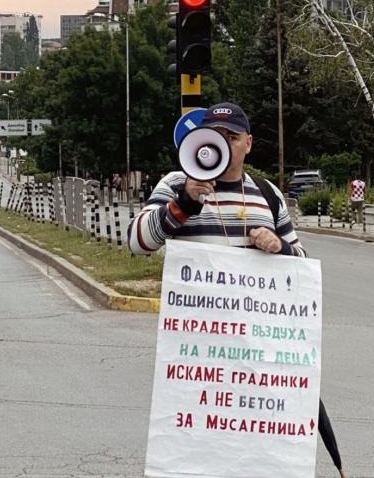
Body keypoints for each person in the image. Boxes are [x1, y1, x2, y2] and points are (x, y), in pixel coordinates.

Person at [128, 102, 345, 478]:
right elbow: (137, 241)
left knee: (256, 451)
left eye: (232, 137)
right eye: (216, 136)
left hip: (257, 352)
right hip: (199, 354)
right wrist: (183, 204)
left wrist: (281, 247)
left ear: (248, 144)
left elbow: (302, 261)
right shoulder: (176, 184)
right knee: (195, 446)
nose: (224, 144)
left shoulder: (266, 193)